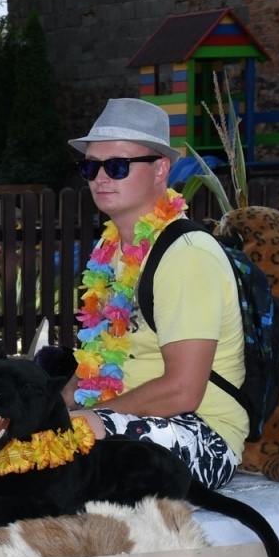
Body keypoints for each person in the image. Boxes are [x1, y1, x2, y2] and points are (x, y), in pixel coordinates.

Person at [65, 97, 247, 489]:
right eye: (90, 166)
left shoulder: (186, 255)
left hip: (201, 437)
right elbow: (92, 364)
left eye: (116, 166)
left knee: (65, 442)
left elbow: (183, 391)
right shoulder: (112, 249)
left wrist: (81, 418)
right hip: (122, 417)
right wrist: (48, 408)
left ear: (161, 169)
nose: (100, 177)